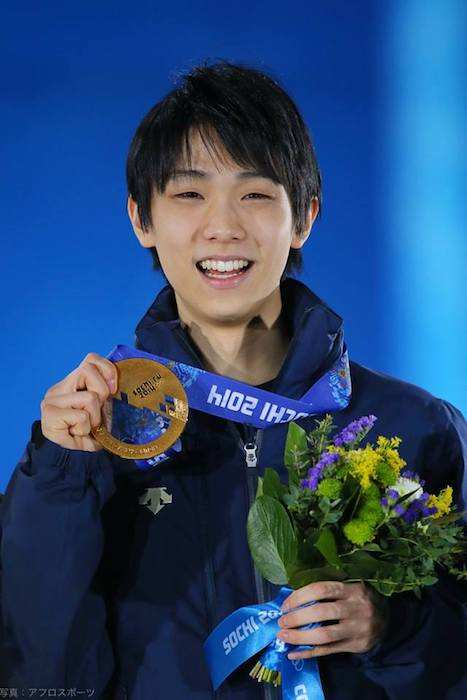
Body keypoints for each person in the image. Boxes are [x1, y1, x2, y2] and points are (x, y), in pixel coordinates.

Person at [1, 60, 465, 700]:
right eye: (189, 195)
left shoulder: (415, 427)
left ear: (303, 216)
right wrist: (58, 475)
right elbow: (36, 669)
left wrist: (392, 625)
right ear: (142, 219)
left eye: (255, 194)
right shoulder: (94, 435)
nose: (223, 226)